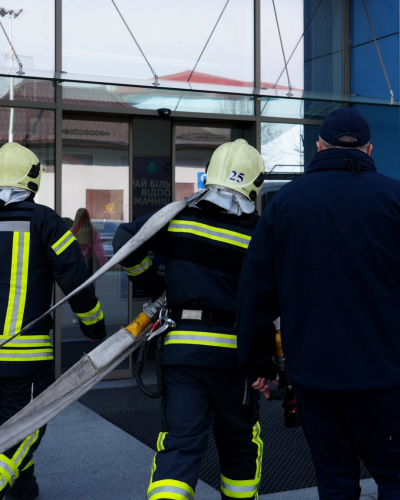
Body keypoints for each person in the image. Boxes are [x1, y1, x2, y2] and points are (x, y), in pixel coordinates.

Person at [236, 108, 400, 500]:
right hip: (383, 374)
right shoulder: (399, 197)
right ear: (369, 149)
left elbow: (255, 291)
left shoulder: (284, 204)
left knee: (336, 483)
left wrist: (257, 363)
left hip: (314, 378)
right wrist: (395, 300)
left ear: (319, 147)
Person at [113, 139, 274, 500]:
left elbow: (126, 240)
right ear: (255, 182)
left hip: (182, 350)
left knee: (180, 445)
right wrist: (268, 362)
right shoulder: (260, 233)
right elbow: (268, 301)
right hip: (236, 357)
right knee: (239, 444)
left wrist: (153, 283)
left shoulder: (178, 217)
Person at [0, 143, 107, 500]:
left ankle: (24, 488)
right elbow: (75, 279)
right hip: (25, 353)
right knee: (25, 431)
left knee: (5, 421)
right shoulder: (45, 220)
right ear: (32, 178)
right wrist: (94, 326)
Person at [71, 207, 108, 274]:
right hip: (90, 265)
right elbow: (99, 251)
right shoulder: (93, 232)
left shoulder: (71, 233)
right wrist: (105, 265)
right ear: (88, 218)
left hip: (74, 265)